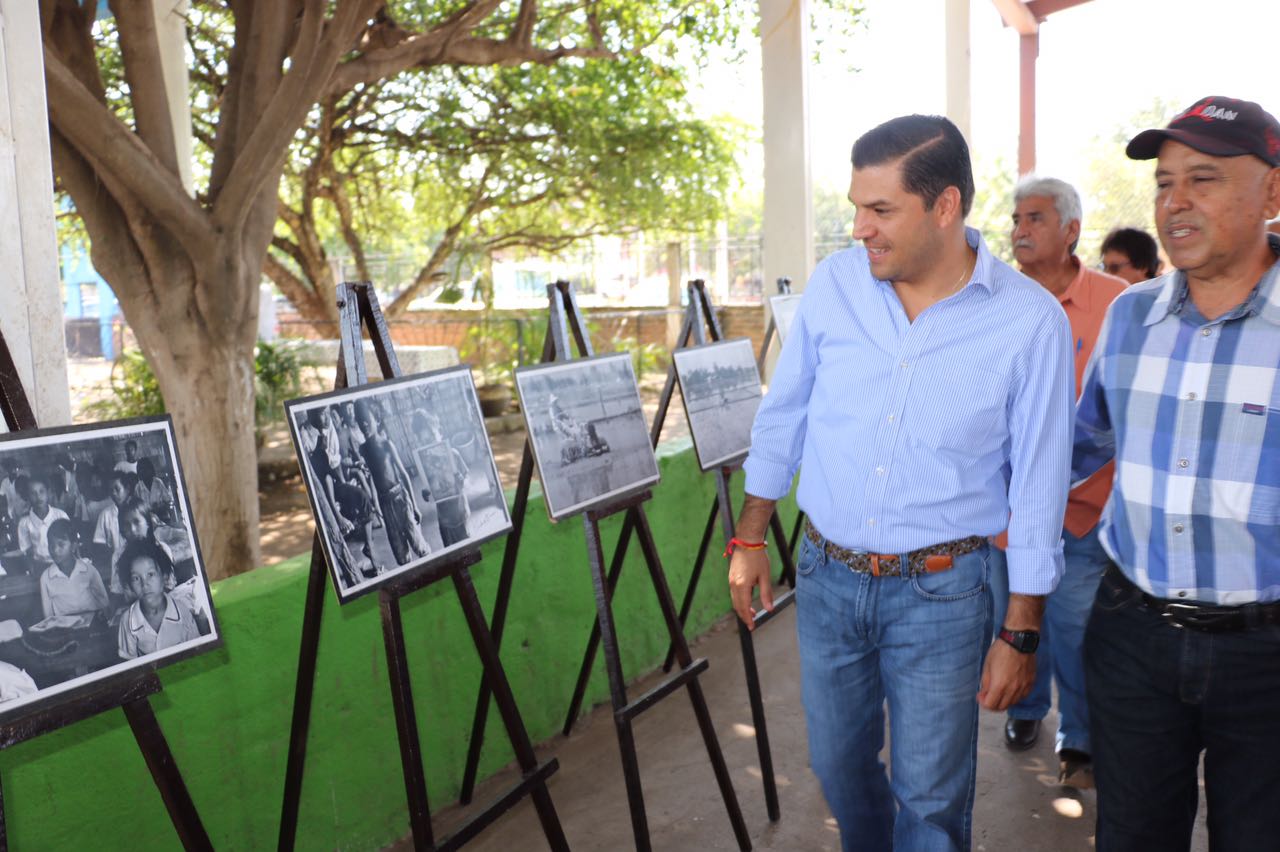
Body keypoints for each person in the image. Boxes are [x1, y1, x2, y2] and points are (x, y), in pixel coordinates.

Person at [728, 114, 1074, 851]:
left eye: (880, 210)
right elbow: (784, 414)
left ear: (944, 206)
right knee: (838, 766)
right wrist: (751, 535)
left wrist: (1022, 628)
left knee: (931, 797)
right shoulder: (836, 286)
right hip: (824, 578)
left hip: (943, 595)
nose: (859, 228)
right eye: (856, 206)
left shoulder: (1029, 322)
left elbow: (1040, 487)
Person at [1075, 95, 1280, 850]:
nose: (1175, 203)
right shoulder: (1130, 317)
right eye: (1164, 183)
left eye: (1204, 179)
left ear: (1274, 193)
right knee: (1131, 837)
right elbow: (1081, 444)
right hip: (1134, 636)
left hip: (1268, 654)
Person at [988, 176, 1128, 787]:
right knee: (1017, 617)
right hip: (1009, 507)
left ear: (1072, 230)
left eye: (1036, 218)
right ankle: (1025, 710)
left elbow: (1120, 410)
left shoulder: (1118, 303)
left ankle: (1081, 738)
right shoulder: (991, 300)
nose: (1020, 229)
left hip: (1083, 507)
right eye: (1017, 218)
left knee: (1075, 628)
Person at [354, 400, 429, 565]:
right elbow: (372, 477)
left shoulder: (387, 444)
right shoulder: (363, 449)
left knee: (418, 543)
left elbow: (404, 474)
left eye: (367, 419)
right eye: (360, 421)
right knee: (400, 551)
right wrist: (376, 503)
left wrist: (415, 506)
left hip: (401, 499)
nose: (363, 424)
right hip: (385, 504)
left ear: (377, 420)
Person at [116, 539, 204, 659]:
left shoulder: (182, 612)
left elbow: (197, 651)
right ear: (129, 585)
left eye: (150, 574)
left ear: (164, 576)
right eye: (136, 578)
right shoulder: (127, 620)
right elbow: (130, 665)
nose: (144, 584)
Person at [39, 518, 109, 619]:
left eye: (61, 544)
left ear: (73, 546)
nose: (55, 550)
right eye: (51, 545)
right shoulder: (46, 578)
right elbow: (48, 616)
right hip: (65, 629)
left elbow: (104, 603)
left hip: (91, 624)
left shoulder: (89, 570)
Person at [17, 476, 69, 571]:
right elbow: (27, 550)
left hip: (62, 563)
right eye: (33, 493)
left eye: (42, 491)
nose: (38, 497)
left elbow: (69, 541)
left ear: (48, 493)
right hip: (40, 566)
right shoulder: (24, 522)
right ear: (28, 496)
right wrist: (33, 569)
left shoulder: (60, 515)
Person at [92, 470, 131, 574]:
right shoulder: (105, 515)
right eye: (111, 490)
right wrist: (114, 556)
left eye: (117, 489)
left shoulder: (137, 510)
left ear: (127, 489)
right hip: (116, 564)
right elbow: (99, 542)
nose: (114, 493)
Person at [1099, 226, 1163, 284]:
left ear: (1143, 267)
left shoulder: (1166, 295)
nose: (1106, 274)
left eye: (1114, 268)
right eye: (1104, 267)